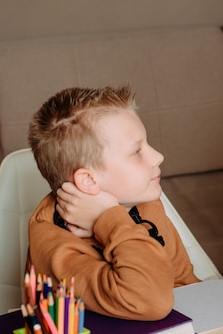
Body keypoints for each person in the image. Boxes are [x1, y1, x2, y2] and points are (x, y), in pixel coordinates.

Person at [27, 85, 200, 321]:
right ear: (88, 180)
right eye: (136, 151)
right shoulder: (56, 246)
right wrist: (108, 218)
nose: (158, 156)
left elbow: (184, 284)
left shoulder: (143, 203)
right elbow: (150, 301)